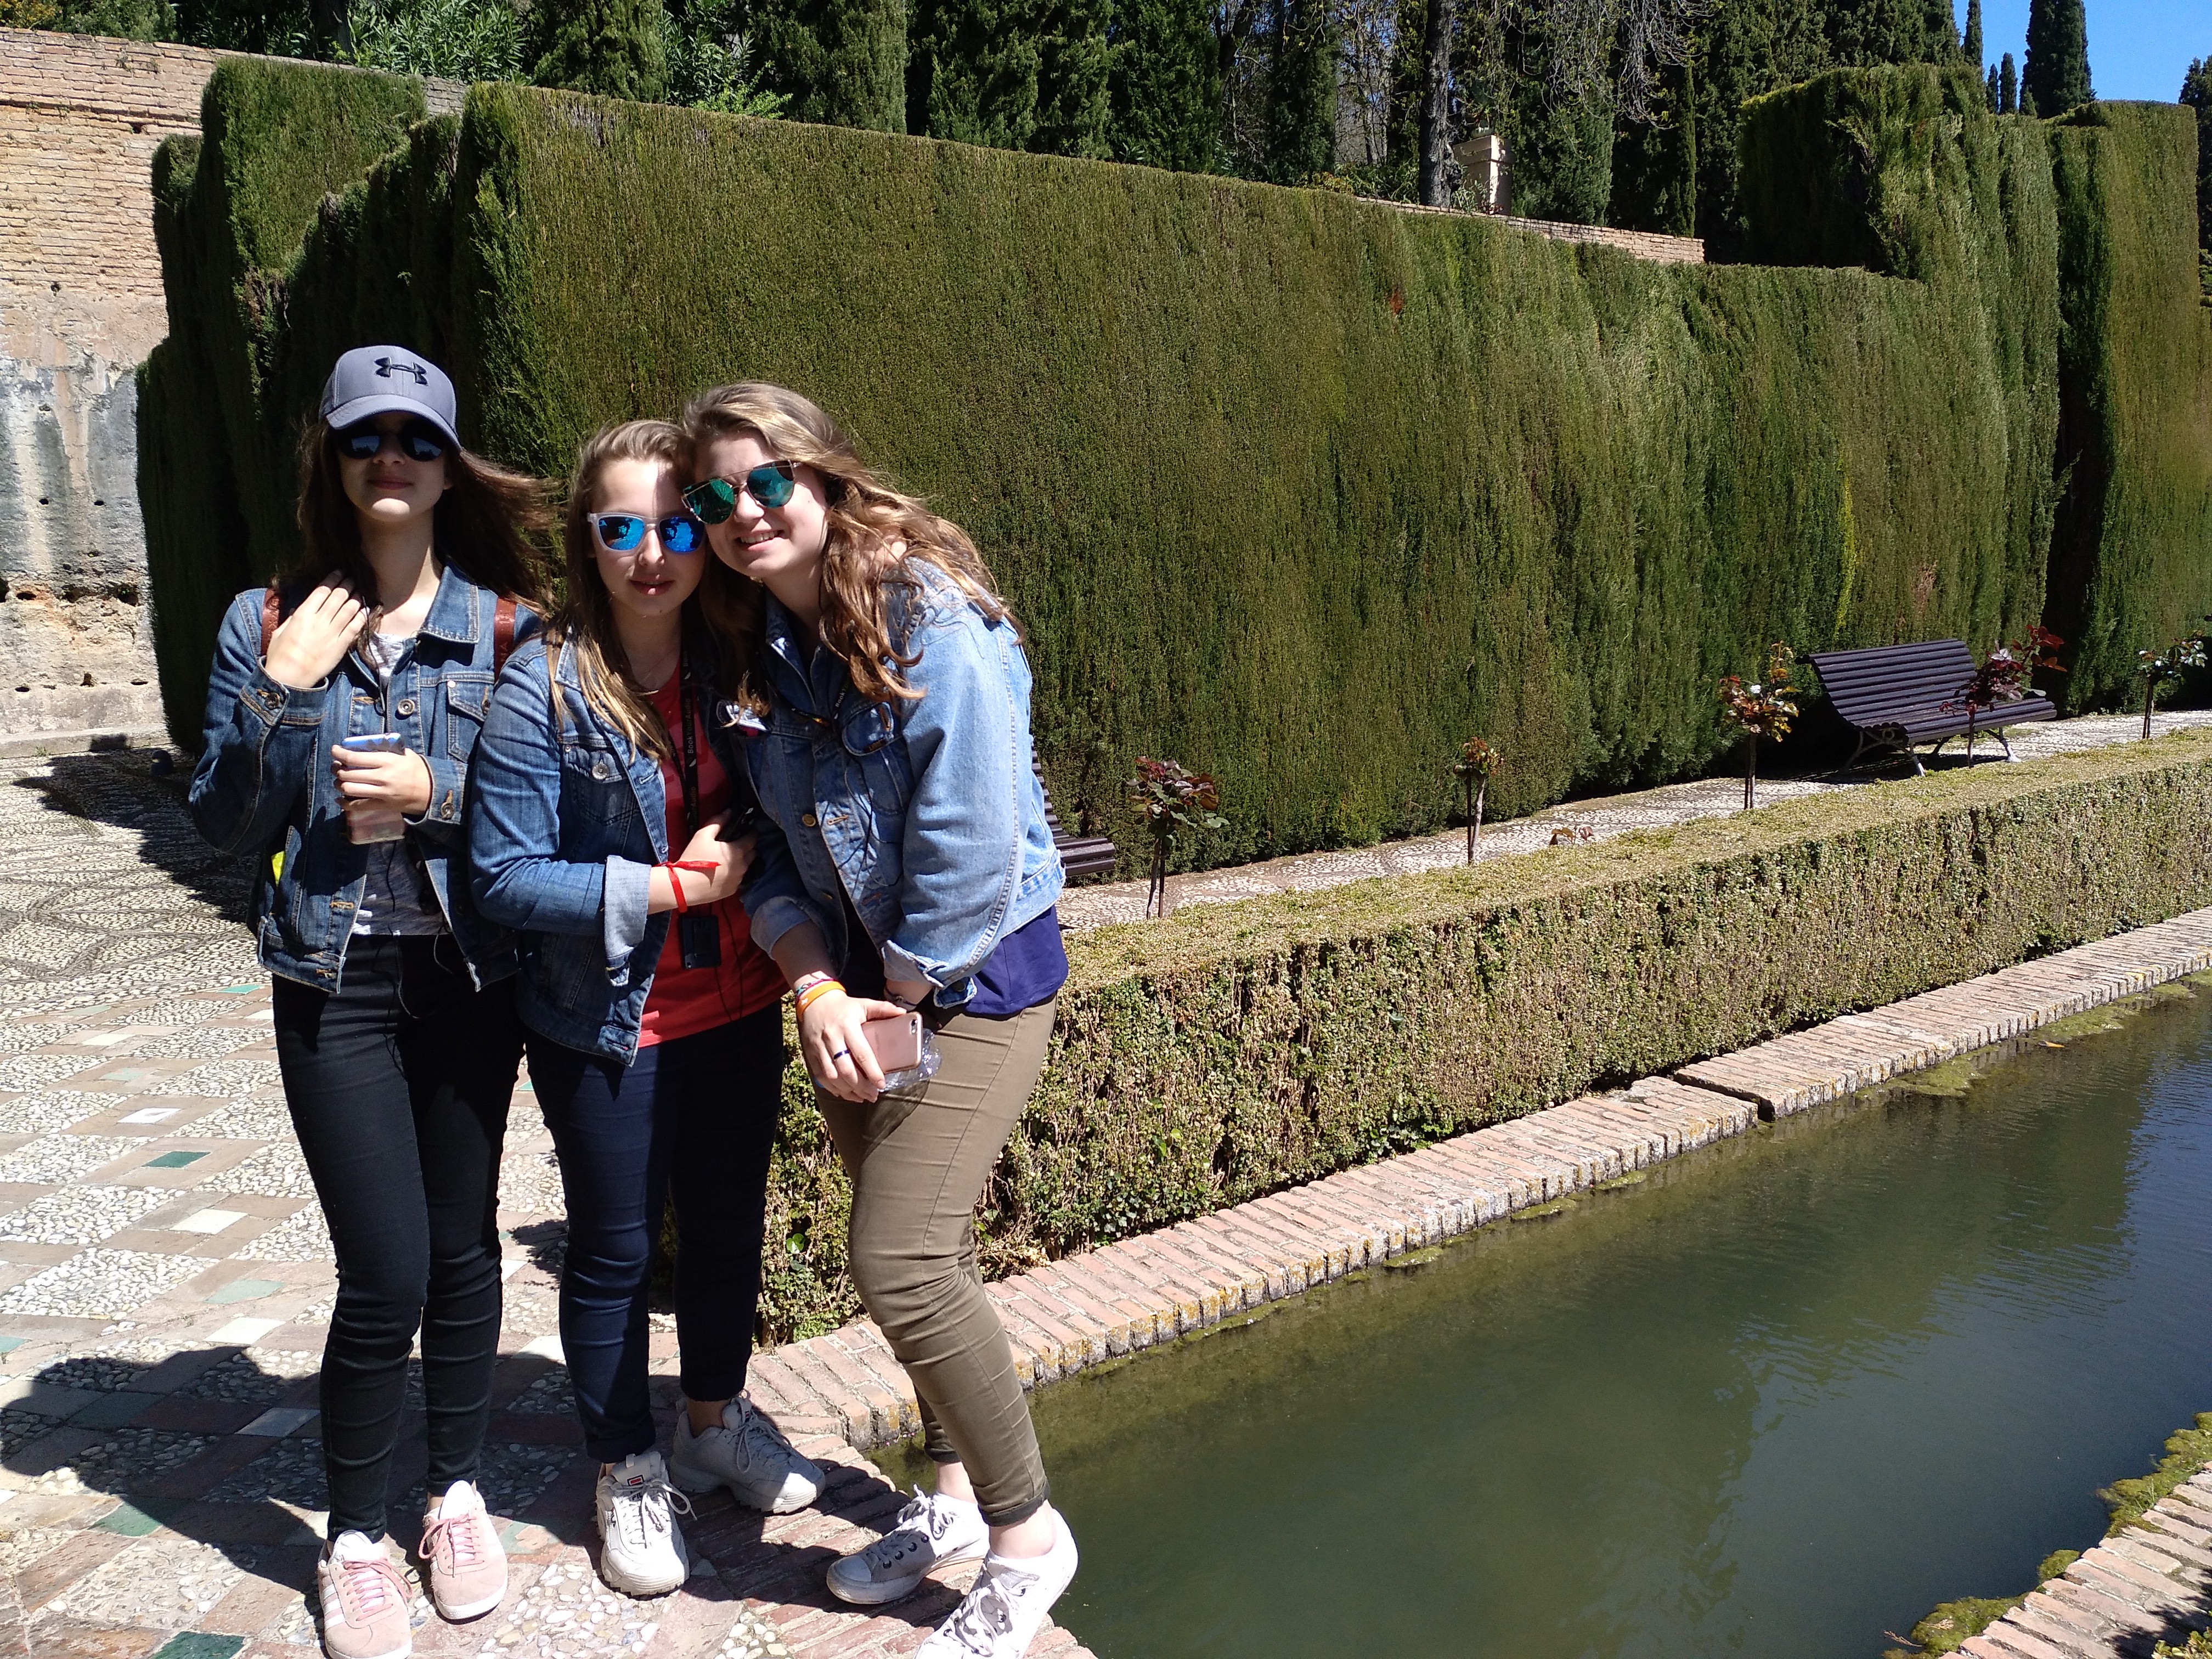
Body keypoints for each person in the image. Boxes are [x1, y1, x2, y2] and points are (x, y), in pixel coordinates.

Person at [682, 383, 1078, 1659]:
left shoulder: (925, 615)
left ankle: (1028, 1540)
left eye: (767, 482)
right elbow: (764, 851)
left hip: (971, 978)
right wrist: (814, 987)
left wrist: (888, 992)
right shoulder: (753, 650)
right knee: (926, 1260)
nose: (743, 512)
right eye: (715, 497)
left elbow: (973, 841)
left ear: (823, 476)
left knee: (901, 1260)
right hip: (859, 994)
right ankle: (952, 1500)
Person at [189, 346, 550, 1659]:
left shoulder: (507, 632)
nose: (390, 456)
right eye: (365, 437)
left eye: (417, 438)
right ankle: (352, 1536)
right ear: (332, 461)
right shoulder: (266, 618)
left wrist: (434, 797)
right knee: (385, 1268)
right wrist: (281, 686)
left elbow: (541, 815)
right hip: (330, 984)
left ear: (450, 468)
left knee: (462, 1251)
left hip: (466, 983)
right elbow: (222, 824)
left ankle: (453, 1494)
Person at [468, 420, 825, 1598]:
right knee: (617, 1252)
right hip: (610, 1024)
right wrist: (671, 888)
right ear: (589, 540)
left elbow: (783, 804)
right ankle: (626, 1466)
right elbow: (503, 876)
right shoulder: (544, 685)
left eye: (676, 525)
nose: (653, 552)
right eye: (623, 527)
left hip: (739, 1003)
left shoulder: (738, 659)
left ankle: (713, 1423)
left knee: (726, 1230)